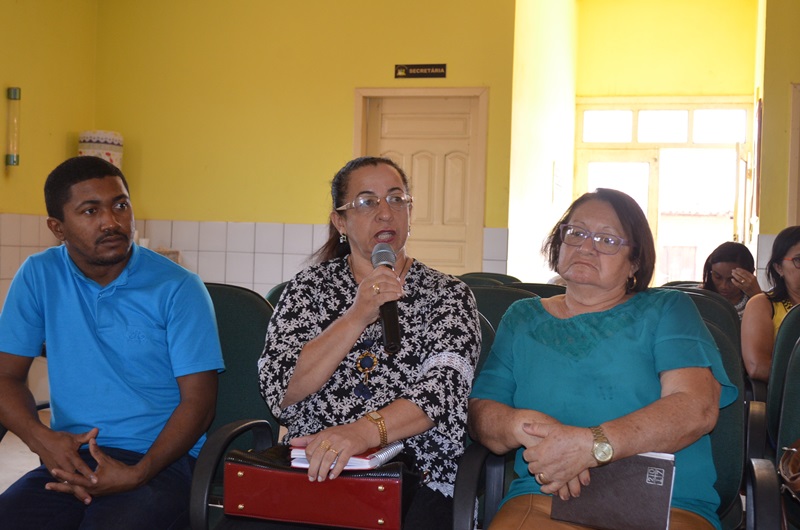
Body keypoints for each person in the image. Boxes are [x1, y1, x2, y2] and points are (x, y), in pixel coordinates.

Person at [468, 188, 737, 530]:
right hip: (546, 499)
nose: (586, 246)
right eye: (576, 233)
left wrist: (590, 445)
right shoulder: (522, 318)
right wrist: (524, 427)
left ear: (635, 263)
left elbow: (694, 408)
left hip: (665, 505)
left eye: (607, 240)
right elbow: (482, 413)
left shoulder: (668, 309)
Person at [0, 156, 225, 529]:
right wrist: (42, 439)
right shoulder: (39, 275)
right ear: (58, 227)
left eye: (120, 205)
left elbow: (199, 403)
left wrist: (138, 473)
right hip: (73, 459)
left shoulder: (178, 288)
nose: (112, 222)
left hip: (161, 464)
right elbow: (5, 377)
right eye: (90, 211)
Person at [257, 156, 481, 529]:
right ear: (340, 221)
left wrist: (361, 433)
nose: (385, 213)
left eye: (396, 199)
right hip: (317, 469)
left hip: (417, 474)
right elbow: (280, 390)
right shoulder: (307, 290)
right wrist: (356, 316)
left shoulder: (448, 296)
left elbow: (441, 394)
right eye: (367, 202)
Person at [741, 225, 800, 382]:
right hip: (788, 400)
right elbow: (757, 366)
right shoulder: (762, 305)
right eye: (798, 260)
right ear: (779, 267)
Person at [700, 241, 761, 319]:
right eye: (717, 277)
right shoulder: (700, 299)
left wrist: (757, 296)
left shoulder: (757, 302)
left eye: (732, 279)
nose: (724, 286)